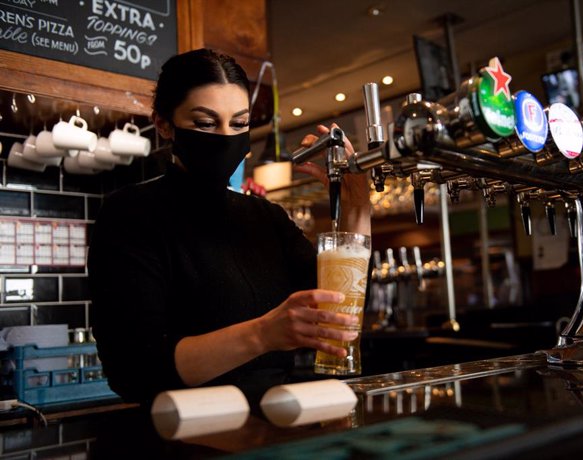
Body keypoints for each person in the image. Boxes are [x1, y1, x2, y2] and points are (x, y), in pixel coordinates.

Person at [88, 48, 371, 406]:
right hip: (181, 435)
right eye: (206, 124)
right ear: (164, 124)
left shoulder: (267, 218)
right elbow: (134, 370)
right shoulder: (131, 215)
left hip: (275, 427)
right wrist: (263, 334)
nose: (225, 137)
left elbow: (342, 315)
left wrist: (358, 203)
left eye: (238, 124)